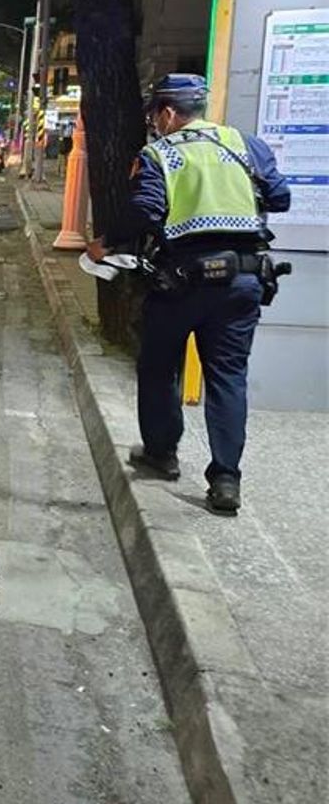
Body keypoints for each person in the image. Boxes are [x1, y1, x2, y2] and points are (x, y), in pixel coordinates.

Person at [87, 74, 290, 515]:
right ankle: (225, 480)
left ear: (167, 113)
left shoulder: (161, 153)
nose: (155, 124)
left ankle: (162, 453)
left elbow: (146, 208)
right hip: (243, 280)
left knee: (159, 367)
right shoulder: (245, 145)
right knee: (228, 376)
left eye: (155, 115)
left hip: (182, 281)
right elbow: (280, 196)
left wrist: (105, 243)